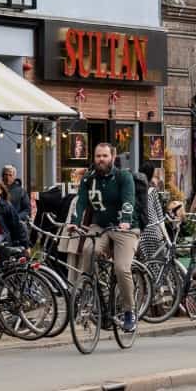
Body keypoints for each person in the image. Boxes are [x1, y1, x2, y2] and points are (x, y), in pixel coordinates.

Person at [70, 143, 140, 333]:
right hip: (100, 226)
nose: (101, 159)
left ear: (113, 157)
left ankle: (129, 312)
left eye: (105, 156)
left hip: (124, 228)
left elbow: (128, 199)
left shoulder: (123, 176)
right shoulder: (88, 178)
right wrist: (74, 222)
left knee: (121, 268)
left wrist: (125, 220)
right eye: (98, 156)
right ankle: (92, 292)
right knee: (88, 251)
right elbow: (81, 202)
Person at [137, 162, 167, 261]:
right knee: (159, 263)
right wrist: (166, 237)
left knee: (144, 264)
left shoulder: (135, 191)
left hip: (141, 233)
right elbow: (160, 216)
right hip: (154, 231)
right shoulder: (152, 191)